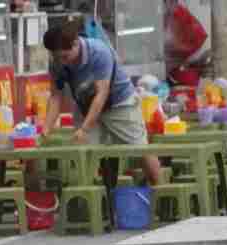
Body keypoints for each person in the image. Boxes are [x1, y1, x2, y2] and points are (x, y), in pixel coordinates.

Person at [40, 22, 162, 186]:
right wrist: (46, 129)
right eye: (57, 57)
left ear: (76, 43)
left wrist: (84, 129)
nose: (62, 62)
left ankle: (161, 192)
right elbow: (55, 96)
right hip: (85, 104)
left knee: (140, 149)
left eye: (65, 57)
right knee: (82, 154)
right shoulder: (57, 61)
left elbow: (101, 94)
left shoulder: (98, 52)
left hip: (119, 103)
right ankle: (91, 203)